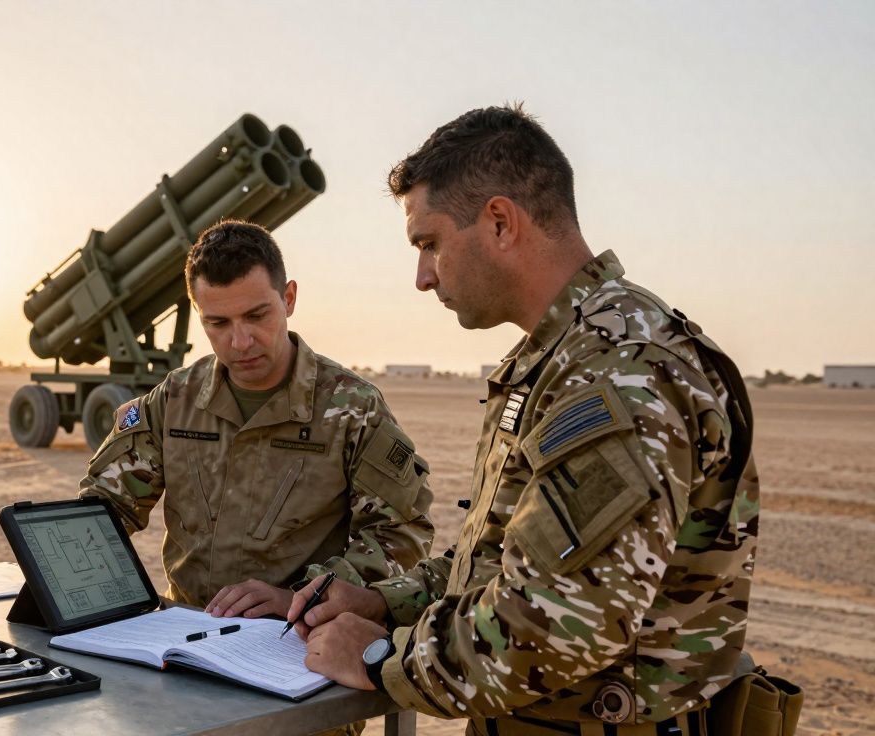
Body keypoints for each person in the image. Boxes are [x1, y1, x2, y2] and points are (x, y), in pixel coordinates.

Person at [289, 104, 759, 736]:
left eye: (429, 244)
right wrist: (381, 600)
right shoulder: (560, 359)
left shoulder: (618, 372)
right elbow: (504, 562)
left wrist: (378, 658)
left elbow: (556, 623)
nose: (422, 278)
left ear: (501, 222)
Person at [79, 220, 436, 619]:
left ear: (289, 298)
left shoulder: (353, 407)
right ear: (200, 316)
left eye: (256, 315)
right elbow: (105, 508)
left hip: (294, 638)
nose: (241, 341)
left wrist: (303, 598)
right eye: (218, 323)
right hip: (183, 633)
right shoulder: (175, 398)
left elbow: (400, 534)